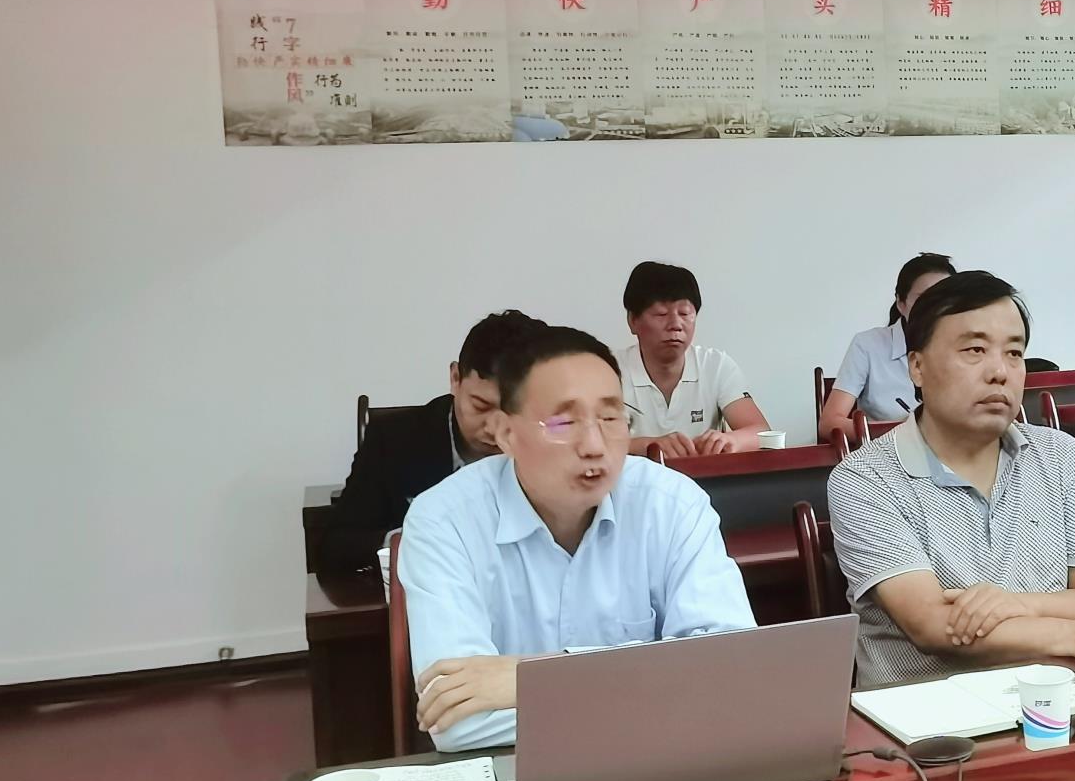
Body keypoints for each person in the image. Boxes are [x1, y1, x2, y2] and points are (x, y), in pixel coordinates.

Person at [398, 325, 755, 751]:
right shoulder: (443, 521)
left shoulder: (673, 503)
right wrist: (655, 679)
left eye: (610, 418)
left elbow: (729, 672)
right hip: (514, 771)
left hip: (662, 762)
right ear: (505, 433)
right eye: (564, 422)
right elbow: (458, 723)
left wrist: (530, 676)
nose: (594, 445)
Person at [828, 270, 1075, 686]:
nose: (1000, 372)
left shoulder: (1060, 455)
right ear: (917, 366)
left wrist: (1017, 604)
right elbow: (934, 625)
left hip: (1057, 696)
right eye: (975, 350)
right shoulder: (863, 479)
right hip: (924, 714)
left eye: (1014, 353)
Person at [322, 309, 545, 577]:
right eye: (481, 406)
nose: (494, 428)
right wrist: (405, 541)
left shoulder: (554, 442)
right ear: (455, 379)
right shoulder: (393, 439)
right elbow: (337, 545)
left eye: (512, 411)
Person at [617, 262, 770, 457]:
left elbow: (761, 432)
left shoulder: (715, 365)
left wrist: (731, 440)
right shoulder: (609, 370)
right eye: (661, 314)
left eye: (684, 313)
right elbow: (590, 442)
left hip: (705, 476)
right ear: (633, 321)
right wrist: (650, 446)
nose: (675, 325)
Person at [815, 251, 954, 442]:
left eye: (944, 299)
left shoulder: (967, 348)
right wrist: (900, 435)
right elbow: (830, 423)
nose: (935, 308)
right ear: (901, 303)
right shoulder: (868, 345)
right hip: (887, 454)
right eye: (923, 299)